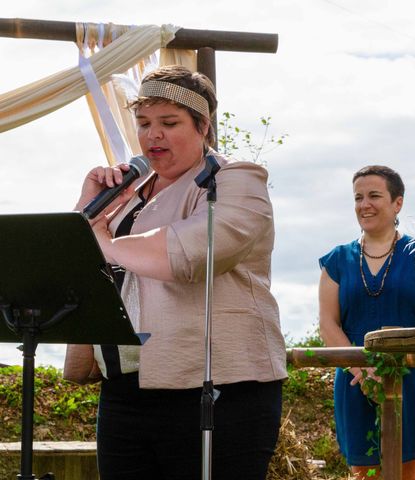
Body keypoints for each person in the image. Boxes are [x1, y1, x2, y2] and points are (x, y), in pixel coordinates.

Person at [64, 65, 287, 480]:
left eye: (169, 123)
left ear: (203, 126)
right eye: (144, 123)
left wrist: (106, 243)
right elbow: (73, 269)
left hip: (220, 390)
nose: (153, 135)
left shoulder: (235, 181)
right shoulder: (126, 192)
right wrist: (88, 209)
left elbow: (191, 254)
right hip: (124, 391)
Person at [318, 165, 415, 480]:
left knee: (410, 472)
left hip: (411, 375)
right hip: (356, 379)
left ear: (397, 203)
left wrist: (394, 366)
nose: (364, 204)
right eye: (358, 197)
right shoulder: (336, 261)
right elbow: (329, 325)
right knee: (362, 474)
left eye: (374, 196)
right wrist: (364, 371)